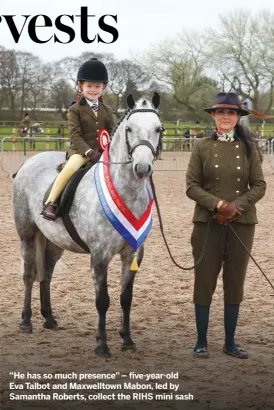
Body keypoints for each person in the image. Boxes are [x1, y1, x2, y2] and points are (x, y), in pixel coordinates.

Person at [186, 92, 266, 359]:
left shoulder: (249, 148)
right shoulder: (200, 146)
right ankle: (201, 341)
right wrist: (219, 205)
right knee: (204, 280)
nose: (225, 117)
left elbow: (259, 185)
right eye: (220, 112)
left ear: (237, 117)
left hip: (242, 223)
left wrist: (235, 207)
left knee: (235, 281)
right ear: (213, 115)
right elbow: (191, 186)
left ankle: (230, 342)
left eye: (230, 113)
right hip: (207, 222)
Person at [41, 58, 116, 221]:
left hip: (103, 151)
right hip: (82, 152)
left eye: (97, 86)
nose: (93, 90)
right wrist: (89, 152)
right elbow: (75, 135)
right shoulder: (75, 109)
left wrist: (109, 148)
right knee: (70, 168)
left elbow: (113, 131)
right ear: (81, 86)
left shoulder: (107, 110)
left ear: (103, 87)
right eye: (89, 86)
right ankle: (52, 202)